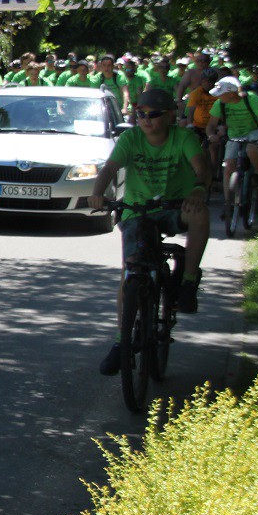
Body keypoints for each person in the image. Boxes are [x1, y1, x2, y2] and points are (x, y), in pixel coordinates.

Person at [88, 89, 211, 375]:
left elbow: (202, 168)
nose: (146, 119)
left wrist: (197, 189)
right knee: (129, 273)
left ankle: (188, 281)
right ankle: (121, 342)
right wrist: (97, 193)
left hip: (174, 207)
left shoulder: (184, 138)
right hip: (138, 212)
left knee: (200, 213)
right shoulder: (131, 138)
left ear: (170, 116)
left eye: (153, 114)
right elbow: (109, 169)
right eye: (140, 114)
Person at [207, 75, 258, 219]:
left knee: (252, 149)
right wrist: (211, 135)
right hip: (235, 135)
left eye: (221, 93)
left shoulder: (251, 99)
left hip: (255, 132)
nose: (218, 97)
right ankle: (228, 204)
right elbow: (211, 125)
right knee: (228, 166)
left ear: (231, 93)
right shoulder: (220, 104)